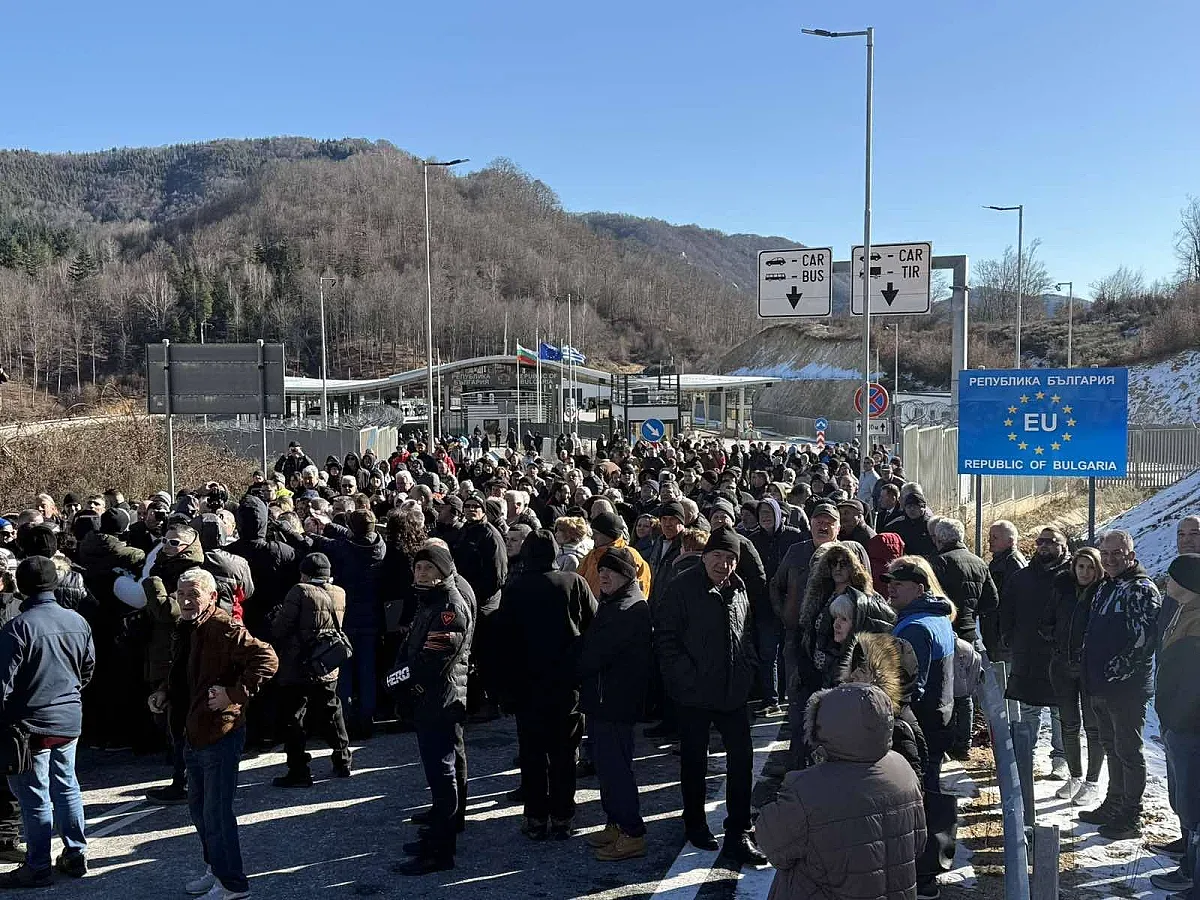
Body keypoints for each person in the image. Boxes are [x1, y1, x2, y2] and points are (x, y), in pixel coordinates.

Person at [158, 567, 278, 900]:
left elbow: (267, 659)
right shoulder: (188, 626)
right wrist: (165, 692)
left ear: (212, 597)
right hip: (192, 733)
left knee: (217, 814)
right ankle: (217, 871)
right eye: (181, 593)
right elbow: (185, 672)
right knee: (199, 811)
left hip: (219, 733)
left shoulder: (223, 626)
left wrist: (234, 693)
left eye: (193, 593)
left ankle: (233, 885)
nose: (185, 600)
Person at [654, 526, 766, 864]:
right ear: (705, 556)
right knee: (694, 761)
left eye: (731, 558)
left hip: (732, 691)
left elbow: (747, 635)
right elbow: (666, 640)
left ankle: (739, 831)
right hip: (693, 693)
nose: (724, 563)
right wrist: (686, 678)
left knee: (742, 760)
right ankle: (695, 822)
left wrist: (748, 671)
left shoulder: (740, 588)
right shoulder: (681, 588)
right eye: (718, 555)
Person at [756, 683, 926, 900]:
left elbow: (770, 843)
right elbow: (918, 844)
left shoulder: (808, 788)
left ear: (824, 726)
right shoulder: (903, 769)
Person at [0, 557, 94, 887]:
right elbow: (87, 670)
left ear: (22, 586)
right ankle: (75, 854)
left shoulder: (18, 627)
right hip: (68, 718)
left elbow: (3, 682)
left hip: (29, 725)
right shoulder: (77, 621)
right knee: (66, 784)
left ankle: (38, 865)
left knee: (35, 796)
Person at [501, 530, 597, 840]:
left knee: (532, 753)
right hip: (566, 684)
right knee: (564, 753)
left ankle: (535, 816)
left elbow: (502, 641)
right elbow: (593, 626)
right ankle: (563, 815)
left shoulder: (515, 588)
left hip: (527, 684)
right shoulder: (573, 583)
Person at [392, 543, 474, 875]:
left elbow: (432, 660)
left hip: (439, 700)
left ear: (442, 571)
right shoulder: (431, 601)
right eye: (418, 567)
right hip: (431, 699)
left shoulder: (449, 607)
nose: (421, 573)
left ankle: (440, 851)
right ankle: (437, 838)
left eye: (428, 568)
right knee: (439, 774)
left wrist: (397, 682)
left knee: (443, 775)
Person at [1079, 530, 1161, 840]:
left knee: (1128, 750)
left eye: (1118, 553)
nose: (1111, 559)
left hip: (1126, 688)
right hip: (1100, 684)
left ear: (1131, 555)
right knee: (1111, 747)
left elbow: (1143, 640)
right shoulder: (1107, 586)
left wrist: (1116, 671)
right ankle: (1113, 803)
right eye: (1106, 554)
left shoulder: (1140, 589)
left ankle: (1130, 814)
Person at [577, 547, 652, 862]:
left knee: (616, 769)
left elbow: (594, 656)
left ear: (627, 576)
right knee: (606, 769)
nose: (603, 576)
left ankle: (632, 832)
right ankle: (615, 822)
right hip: (602, 701)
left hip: (615, 704)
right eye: (602, 571)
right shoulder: (614, 603)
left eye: (611, 571)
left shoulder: (628, 608)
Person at [268, 552, 352, 786]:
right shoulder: (339, 592)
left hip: (298, 665)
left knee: (294, 716)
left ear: (304, 573)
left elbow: (280, 629)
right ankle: (343, 758)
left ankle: (298, 771)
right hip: (326, 662)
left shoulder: (299, 591)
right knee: (332, 710)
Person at [1000, 526, 1070, 780]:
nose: (1044, 546)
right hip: (1028, 652)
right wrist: (1008, 636)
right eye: (1041, 541)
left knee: (1062, 710)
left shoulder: (1073, 576)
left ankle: (1061, 759)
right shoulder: (1023, 577)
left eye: (1051, 542)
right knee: (1029, 709)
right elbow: (1006, 609)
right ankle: (1025, 755)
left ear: (1064, 545)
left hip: (1061, 654)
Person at [884, 557, 956, 792]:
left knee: (919, 790)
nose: (891, 589)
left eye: (899, 584)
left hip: (921, 724)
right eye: (890, 583)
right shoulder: (938, 616)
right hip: (940, 715)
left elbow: (911, 687)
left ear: (919, 589)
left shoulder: (915, 628)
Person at [1151, 554, 1200, 895]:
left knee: (1193, 807)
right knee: (1184, 803)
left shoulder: (1197, 623)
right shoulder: (1181, 612)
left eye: (1172, 577)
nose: (1167, 583)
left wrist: (1179, 719)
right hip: (1176, 724)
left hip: (1190, 727)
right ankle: (1189, 868)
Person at [1043, 546, 1105, 807]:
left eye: (1091, 567)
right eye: (1081, 566)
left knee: (1093, 727)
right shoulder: (1063, 589)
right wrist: (1053, 636)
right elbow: (1047, 620)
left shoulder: (1102, 592)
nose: (1085, 572)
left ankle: (1092, 782)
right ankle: (1075, 776)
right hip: (1062, 665)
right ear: (1074, 567)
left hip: (1090, 669)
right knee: (1068, 724)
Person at [749, 498, 803, 715]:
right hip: (764, 604)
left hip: (791, 602)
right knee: (768, 652)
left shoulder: (794, 536)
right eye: (761, 512)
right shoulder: (753, 540)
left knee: (790, 652)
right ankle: (771, 698)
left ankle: (790, 697)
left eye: (769, 511)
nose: (765, 516)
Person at [984, 520, 1026, 659]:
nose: (990, 540)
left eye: (995, 537)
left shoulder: (1012, 562)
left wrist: (1005, 631)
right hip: (997, 629)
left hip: (1003, 631)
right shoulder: (1000, 560)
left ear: (1010, 541)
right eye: (990, 536)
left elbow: (1014, 599)